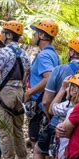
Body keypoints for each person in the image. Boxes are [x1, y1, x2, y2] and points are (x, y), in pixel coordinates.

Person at [33, 36, 79, 159]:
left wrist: (50, 117)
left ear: (71, 52)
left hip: (59, 120)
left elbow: (46, 101)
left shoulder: (60, 70)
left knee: (41, 150)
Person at [0, 21, 31, 159]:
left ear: (10, 35)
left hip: (5, 93)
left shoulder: (3, 52)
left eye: (4, 33)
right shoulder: (25, 54)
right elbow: (26, 75)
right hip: (20, 92)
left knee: (4, 129)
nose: (3, 35)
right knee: (18, 129)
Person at [26, 20, 60, 150]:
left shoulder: (44, 55)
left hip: (40, 105)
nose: (34, 35)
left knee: (37, 145)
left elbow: (49, 77)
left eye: (36, 32)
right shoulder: (52, 54)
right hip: (45, 103)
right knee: (44, 146)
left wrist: (30, 92)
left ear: (41, 35)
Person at [48, 73, 79, 159]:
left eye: (69, 87)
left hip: (67, 155)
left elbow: (51, 109)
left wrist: (62, 88)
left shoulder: (69, 109)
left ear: (73, 91)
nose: (67, 89)